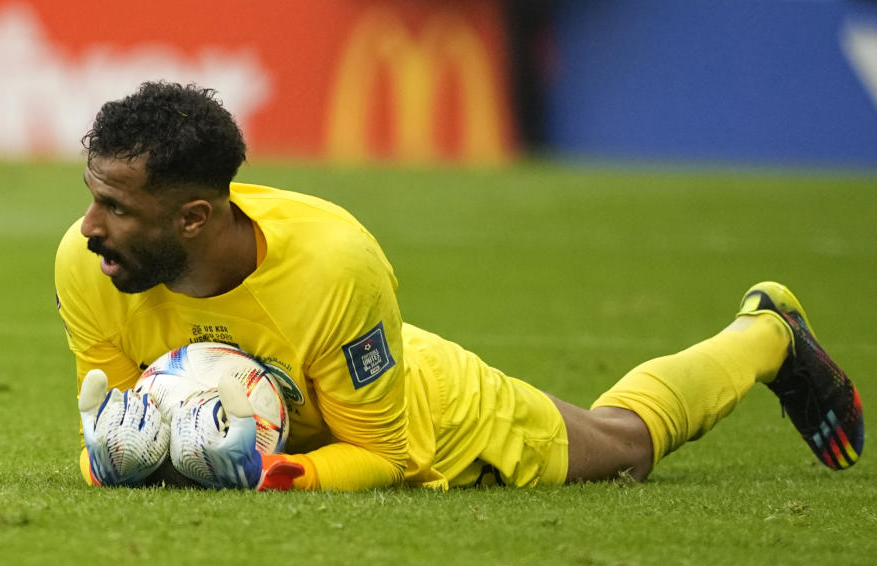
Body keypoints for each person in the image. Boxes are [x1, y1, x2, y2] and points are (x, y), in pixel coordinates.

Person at [55, 81, 864, 491]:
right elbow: (128, 428)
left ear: (194, 218)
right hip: (312, 406)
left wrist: (282, 475)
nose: (89, 226)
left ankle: (767, 335)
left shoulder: (334, 266)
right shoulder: (90, 265)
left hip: (431, 410)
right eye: (92, 197)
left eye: (115, 208)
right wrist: (113, 460)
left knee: (625, 447)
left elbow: (383, 451)